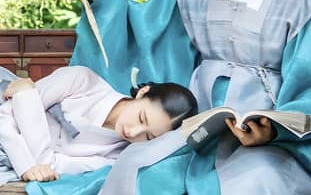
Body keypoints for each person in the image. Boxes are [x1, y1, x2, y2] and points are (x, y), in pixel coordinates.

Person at [69, 0, 311, 195]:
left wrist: (271, 133)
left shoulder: (298, 3)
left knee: (255, 181)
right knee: (139, 168)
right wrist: (102, 0)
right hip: (198, 121)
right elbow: (146, 26)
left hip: (261, 132)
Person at [0, 65, 197, 183]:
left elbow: (51, 166)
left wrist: (25, 95)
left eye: (148, 137)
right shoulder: (81, 81)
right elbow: (5, 115)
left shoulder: (116, 157)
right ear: (143, 92)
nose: (132, 132)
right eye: (141, 118)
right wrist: (27, 164)